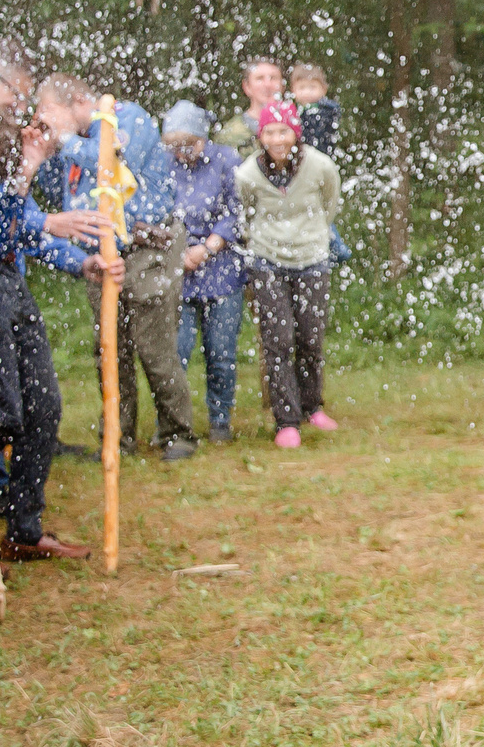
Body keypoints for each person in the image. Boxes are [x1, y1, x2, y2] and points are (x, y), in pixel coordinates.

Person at [0, 105, 102, 562]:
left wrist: (80, 261)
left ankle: (23, 528)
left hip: (11, 285)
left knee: (44, 407)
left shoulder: (0, 157)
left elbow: (21, 233)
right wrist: (25, 173)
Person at [33, 76, 198, 461]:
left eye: (48, 110)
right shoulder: (70, 142)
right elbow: (53, 190)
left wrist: (64, 140)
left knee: (153, 346)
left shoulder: (127, 118)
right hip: (103, 257)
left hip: (147, 248)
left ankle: (178, 434)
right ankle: (118, 438)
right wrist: (42, 150)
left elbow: (108, 161)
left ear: (75, 100)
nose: (43, 118)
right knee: (110, 348)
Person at [232, 101, 341, 449]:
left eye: (283, 131)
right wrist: (268, 242)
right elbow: (245, 213)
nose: (277, 139)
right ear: (260, 135)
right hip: (267, 262)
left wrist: (312, 237)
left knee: (310, 337)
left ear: (296, 133)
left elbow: (330, 204)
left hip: (312, 259)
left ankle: (312, 407)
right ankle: (286, 420)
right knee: (278, 341)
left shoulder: (320, 165)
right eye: (270, 131)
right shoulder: (248, 173)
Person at [162, 102, 245, 444]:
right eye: (175, 146)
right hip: (177, 270)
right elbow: (156, 209)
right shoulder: (162, 164)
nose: (182, 153)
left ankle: (220, 420)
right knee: (174, 354)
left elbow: (237, 210)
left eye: (189, 144)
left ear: (204, 137)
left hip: (222, 270)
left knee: (221, 352)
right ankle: (173, 424)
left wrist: (208, 247)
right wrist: (175, 251)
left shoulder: (227, 161)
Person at [215, 58, 287, 152]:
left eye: (273, 78)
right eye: (260, 78)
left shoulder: (297, 126)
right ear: (247, 87)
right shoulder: (231, 134)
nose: (267, 84)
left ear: (283, 85)